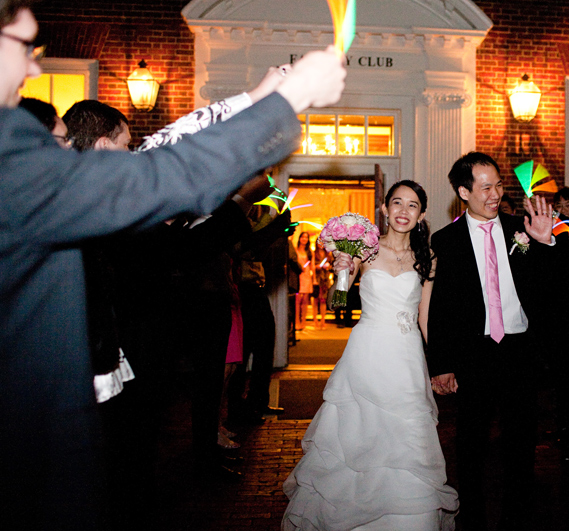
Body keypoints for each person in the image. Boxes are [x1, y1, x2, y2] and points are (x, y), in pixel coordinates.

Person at [0, 1, 346, 527]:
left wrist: (254, 98)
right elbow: (158, 175)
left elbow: (156, 152)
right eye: (25, 47)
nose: (33, 68)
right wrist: (288, 101)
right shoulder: (10, 152)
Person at [283, 180, 459, 530]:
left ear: (422, 214)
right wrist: (342, 272)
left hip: (407, 357)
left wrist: (440, 366)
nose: (403, 211)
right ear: (384, 209)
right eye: (397, 203)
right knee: (360, 430)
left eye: (412, 205)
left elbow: (425, 318)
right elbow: (338, 301)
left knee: (405, 435)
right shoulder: (366, 250)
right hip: (366, 353)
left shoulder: (428, 257)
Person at [427, 152, 556, 530]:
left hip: (519, 349)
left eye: (498, 184)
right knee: (471, 443)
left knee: (521, 442)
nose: (495, 193)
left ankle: (517, 516)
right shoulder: (445, 240)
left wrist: (545, 245)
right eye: (486, 187)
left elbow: (550, 290)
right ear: (463, 191)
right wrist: (441, 364)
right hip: (474, 353)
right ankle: (473, 517)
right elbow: (441, 310)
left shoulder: (523, 228)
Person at [294, 231, 314, 330]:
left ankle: (303, 322)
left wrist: (314, 280)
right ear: (300, 238)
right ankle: (297, 321)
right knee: (297, 300)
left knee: (305, 301)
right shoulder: (295, 250)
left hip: (306, 277)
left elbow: (312, 266)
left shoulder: (309, 252)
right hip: (298, 276)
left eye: (306, 237)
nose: (304, 239)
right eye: (302, 237)